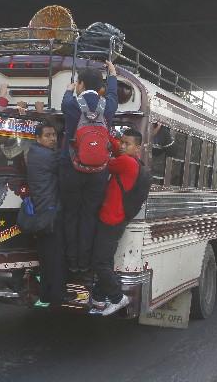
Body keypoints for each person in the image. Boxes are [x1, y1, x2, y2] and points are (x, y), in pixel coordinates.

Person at [59, 60, 118, 274]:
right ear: (100, 86)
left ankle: (70, 262)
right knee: (89, 216)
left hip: (72, 169)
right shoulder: (108, 106)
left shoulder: (70, 104)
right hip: (99, 172)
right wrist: (112, 74)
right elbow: (113, 93)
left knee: (70, 214)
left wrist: (69, 89)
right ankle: (85, 263)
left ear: (80, 84)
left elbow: (66, 100)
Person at [91, 128, 144, 316]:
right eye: (122, 142)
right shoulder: (134, 161)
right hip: (116, 217)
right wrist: (108, 135)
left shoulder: (125, 162)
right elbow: (116, 147)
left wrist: (99, 137)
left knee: (100, 263)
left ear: (138, 148)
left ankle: (117, 298)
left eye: (127, 144)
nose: (122, 146)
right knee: (106, 260)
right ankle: (98, 298)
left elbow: (102, 161)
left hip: (111, 219)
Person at [26, 121, 65, 306]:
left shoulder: (34, 152)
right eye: (48, 136)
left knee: (45, 256)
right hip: (50, 212)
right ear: (38, 138)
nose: (52, 139)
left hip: (41, 212)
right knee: (55, 257)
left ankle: (45, 295)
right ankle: (56, 298)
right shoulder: (48, 157)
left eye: (54, 135)